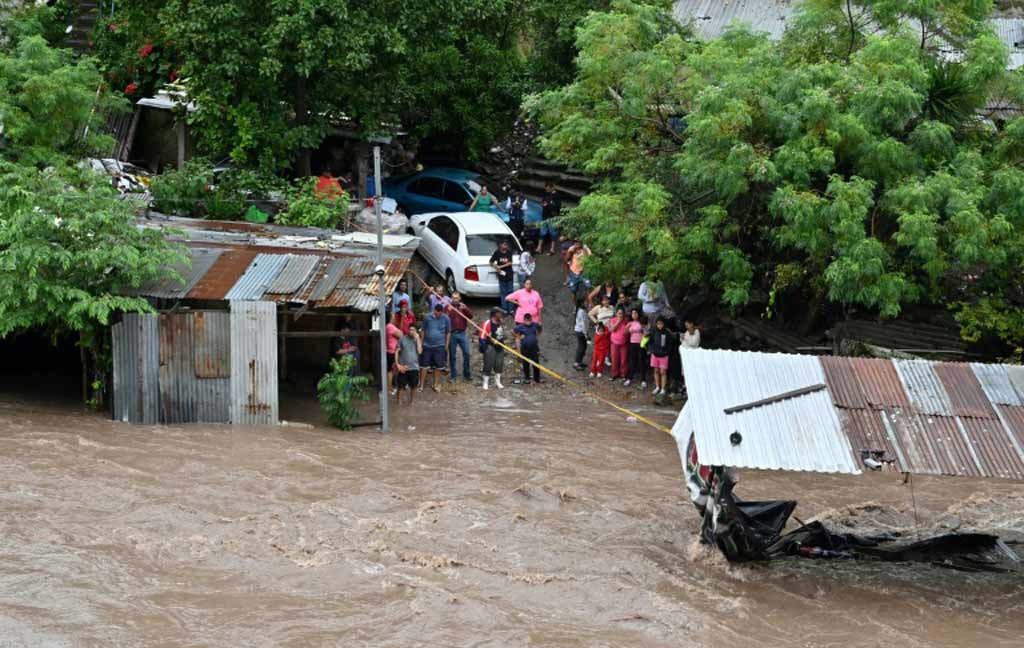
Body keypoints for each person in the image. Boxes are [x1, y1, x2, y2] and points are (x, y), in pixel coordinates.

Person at [419, 303, 451, 392]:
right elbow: (423, 330)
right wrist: (421, 344)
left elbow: (448, 332)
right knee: (424, 366)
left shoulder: (446, 318)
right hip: (427, 345)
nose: (438, 315)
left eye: (440, 314)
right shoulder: (427, 317)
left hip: (440, 345)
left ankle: (435, 384)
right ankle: (421, 385)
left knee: (438, 366)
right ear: (434, 311)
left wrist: (447, 344)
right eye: (437, 313)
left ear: (442, 312)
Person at [446, 291, 474, 382]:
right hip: (452, 334)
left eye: (457, 298)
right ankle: (453, 376)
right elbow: (444, 320)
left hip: (462, 333)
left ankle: (467, 374)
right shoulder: (447, 307)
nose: (455, 300)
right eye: (453, 298)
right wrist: (448, 312)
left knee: (467, 353)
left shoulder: (463, 306)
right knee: (452, 356)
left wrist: (465, 309)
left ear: (459, 298)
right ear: (451, 298)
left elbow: (471, 316)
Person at [394, 324, 423, 405]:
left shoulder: (417, 339)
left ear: (416, 331)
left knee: (414, 386)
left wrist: (417, 339)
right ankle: (399, 403)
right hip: (403, 367)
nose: (411, 331)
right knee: (401, 387)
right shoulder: (402, 339)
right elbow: (396, 351)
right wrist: (398, 365)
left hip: (414, 367)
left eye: (413, 330)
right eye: (410, 329)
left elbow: (420, 351)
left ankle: (412, 402)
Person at [479, 308, 507, 390]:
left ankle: (497, 382)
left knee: (499, 364)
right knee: (488, 364)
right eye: (499, 313)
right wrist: (485, 349)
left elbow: (501, 334)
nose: (501, 315)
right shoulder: (487, 323)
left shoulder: (500, 322)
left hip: (500, 346)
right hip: (490, 347)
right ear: (494, 314)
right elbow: (482, 337)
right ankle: (485, 382)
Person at [513, 313, 544, 385]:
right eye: (527, 321)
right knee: (525, 364)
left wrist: (538, 333)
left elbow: (540, 328)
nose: (529, 322)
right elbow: (512, 331)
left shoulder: (534, 325)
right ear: (524, 320)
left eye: (530, 320)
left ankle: (537, 378)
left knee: (536, 363)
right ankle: (527, 378)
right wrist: (519, 337)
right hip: (525, 348)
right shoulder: (521, 326)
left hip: (534, 348)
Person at [649, 315, 675, 396]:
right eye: (658, 324)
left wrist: (667, 352)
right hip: (655, 354)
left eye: (661, 324)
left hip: (664, 355)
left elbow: (670, 344)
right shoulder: (653, 332)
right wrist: (652, 350)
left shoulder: (667, 333)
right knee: (656, 371)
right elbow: (650, 342)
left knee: (663, 372)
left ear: (664, 324)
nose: (660, 325)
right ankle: (657, 386)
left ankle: (663, 388)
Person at [490, 240, 515, 314]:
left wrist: (500, 266)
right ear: (500, 245)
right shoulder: (497, 252)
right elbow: (491, 262)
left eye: (506, 245)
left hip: (509, 275)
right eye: (504, 244)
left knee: (510, 292)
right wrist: (496, 267)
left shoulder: (509, 252)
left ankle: (511, 309)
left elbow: (510, 263)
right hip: (501, 276)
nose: (506, 246)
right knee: (503, 293)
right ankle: (504, 309)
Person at [625, 308, 646, 387]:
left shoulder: (642, 322)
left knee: (641, 361)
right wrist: (628, 327)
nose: (634, 315)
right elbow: (625, 332)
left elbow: (645, 332)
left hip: (641, 343)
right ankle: (630, 377)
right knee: (632, 361)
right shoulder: (630, 323)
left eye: (636, 313)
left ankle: (643, 379)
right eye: (633, 313)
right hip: (632, 343)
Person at [608, 306, 629, 380]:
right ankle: (614, 374)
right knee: (614, 359)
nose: (620, 315)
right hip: (614, 343)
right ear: (616, 313)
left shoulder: (626, 321)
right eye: (619, 313)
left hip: (624, 343)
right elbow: (612, 329)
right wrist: (619, 321)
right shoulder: (613, 320)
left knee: (624, 359)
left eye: (622, 313)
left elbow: (628, 331)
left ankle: (623, 374)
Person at [540, 182, 561, 255]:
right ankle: (539, 248)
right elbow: (542, 202)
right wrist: (544, 204)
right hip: (545, 215)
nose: (547, 190)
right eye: (546, 189)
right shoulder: (545, 193)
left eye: (548, 189)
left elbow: (558, 206)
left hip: (553, 216)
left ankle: (552, 249)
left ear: (552, 188)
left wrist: (548, 204)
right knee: (542, 232)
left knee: (553, 233)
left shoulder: (557, 195)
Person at [385, 312, 403, 395]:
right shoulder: (390, 326)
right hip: (391, 351)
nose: (394, 317)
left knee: (393, 370)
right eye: (393, 316)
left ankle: (393, 386)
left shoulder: (390, 326)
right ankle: (390, 388)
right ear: (390, 317)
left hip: (391, 350)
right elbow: (401, 335)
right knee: (391, 371)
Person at [573, 297, 589, 371]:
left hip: (579, 330)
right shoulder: (581, 311)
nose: (587, 303)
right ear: (582, 303)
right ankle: (576, 363)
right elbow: (583, 324)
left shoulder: (579, 309)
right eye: (586, 302)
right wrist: (586, 334)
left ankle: (579, 362)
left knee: (583, 347)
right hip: (581, 331)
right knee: (581, 348)